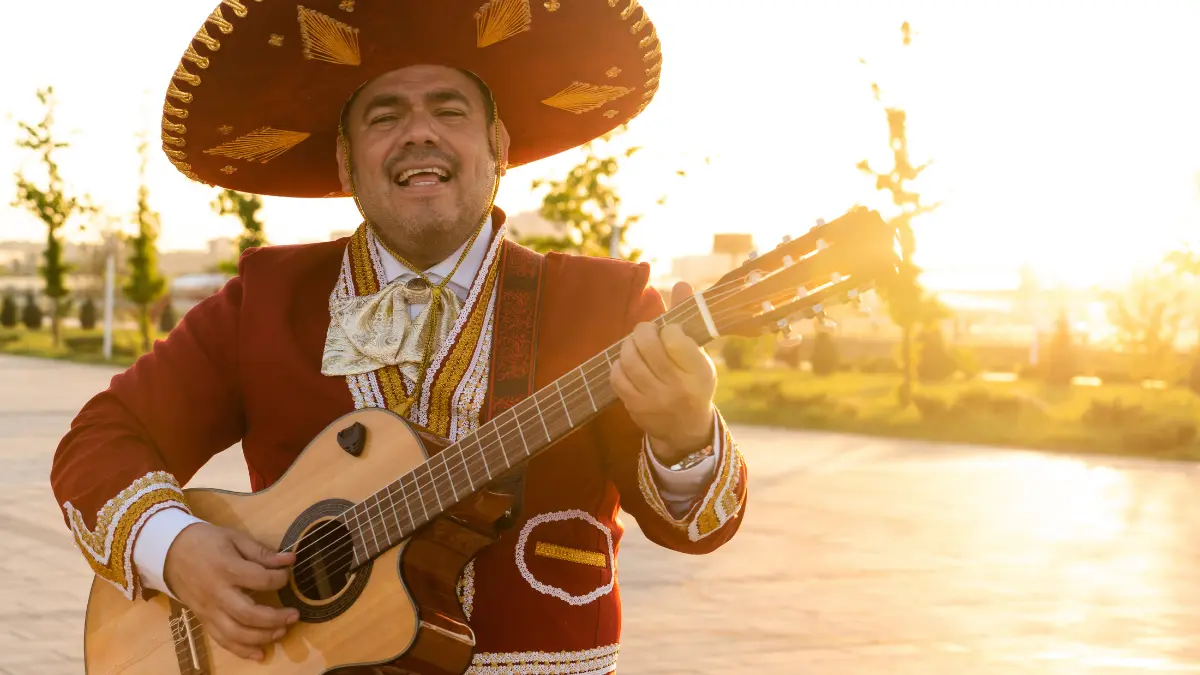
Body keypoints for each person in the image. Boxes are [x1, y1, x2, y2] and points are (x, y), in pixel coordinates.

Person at [50, 0, 748, 672]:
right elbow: (101, 442)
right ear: (348, 164)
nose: (420, 131)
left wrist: (685, 432)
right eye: (385, 115)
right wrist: (178, 550)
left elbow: (696, 528)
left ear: (498, 147)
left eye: (450, 109)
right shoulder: (264, 302)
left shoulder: (603, 304)